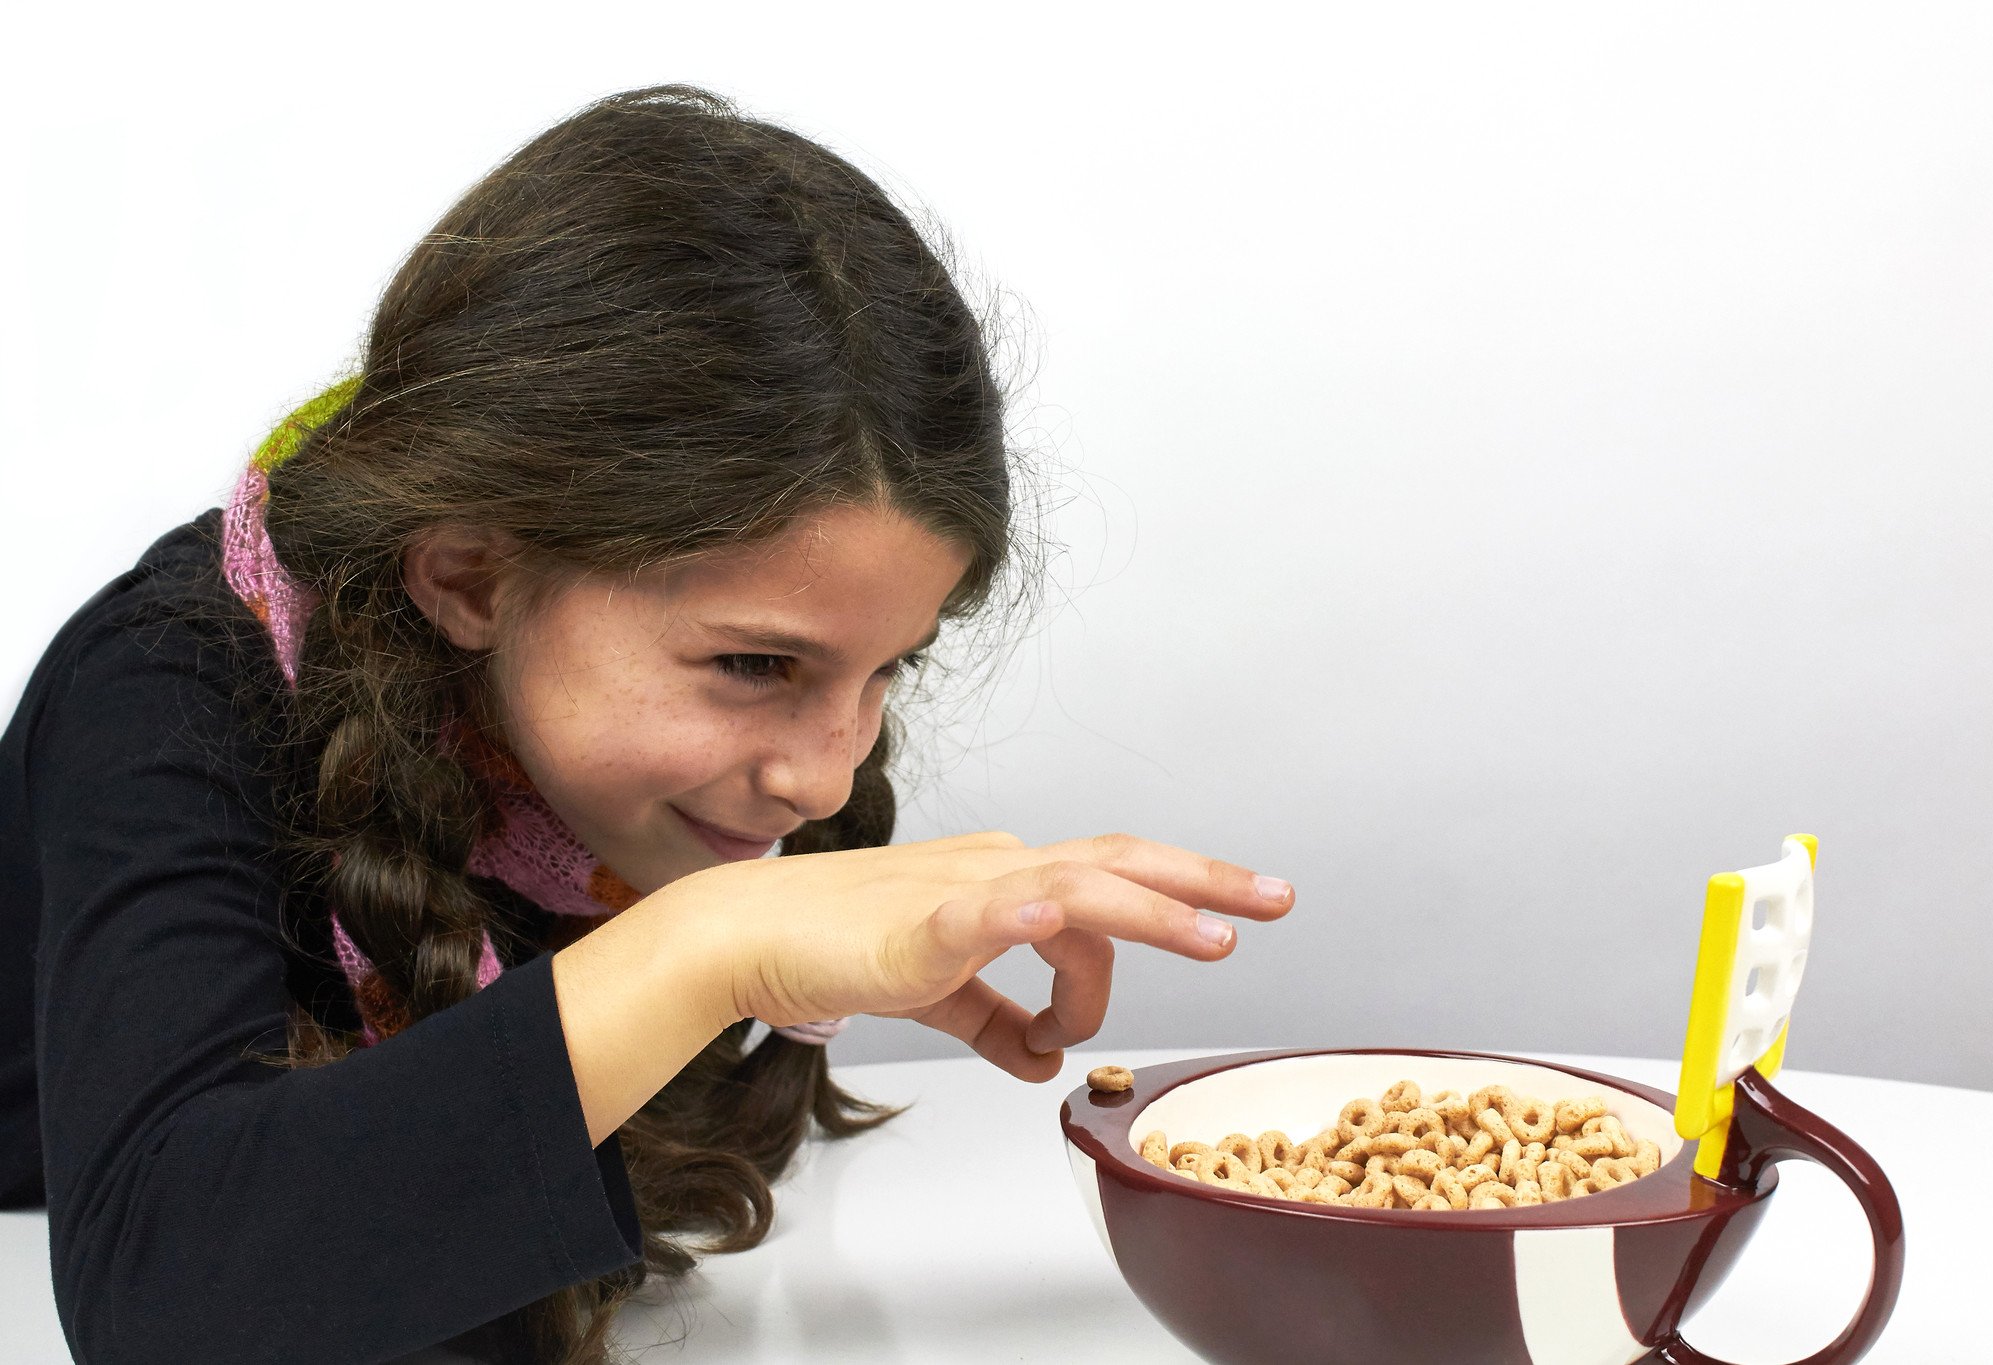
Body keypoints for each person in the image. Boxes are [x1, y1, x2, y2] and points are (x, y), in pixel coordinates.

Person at [0, 85, 1293, 1364]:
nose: (825, 773)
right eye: (751, 662)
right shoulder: (162, 682)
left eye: (890, 667)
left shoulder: (701, 749)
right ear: (469, 577)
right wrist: (706, 946)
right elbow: (156, 1292)